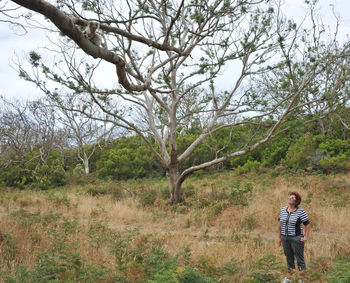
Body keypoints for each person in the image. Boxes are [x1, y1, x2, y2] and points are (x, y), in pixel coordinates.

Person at [278, 192, 310, 283]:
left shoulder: (301, 211)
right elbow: (280, 224)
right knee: (289, 257)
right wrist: (279, 238)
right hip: (285, 238)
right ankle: (289, 278)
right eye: (289, 196)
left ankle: (302, 279)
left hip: (296, 238)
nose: (290, 198)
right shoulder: (283, 210)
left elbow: (307, 224)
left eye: (292, 197)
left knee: (300, 259)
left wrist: (306, 236)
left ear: (297, 201)